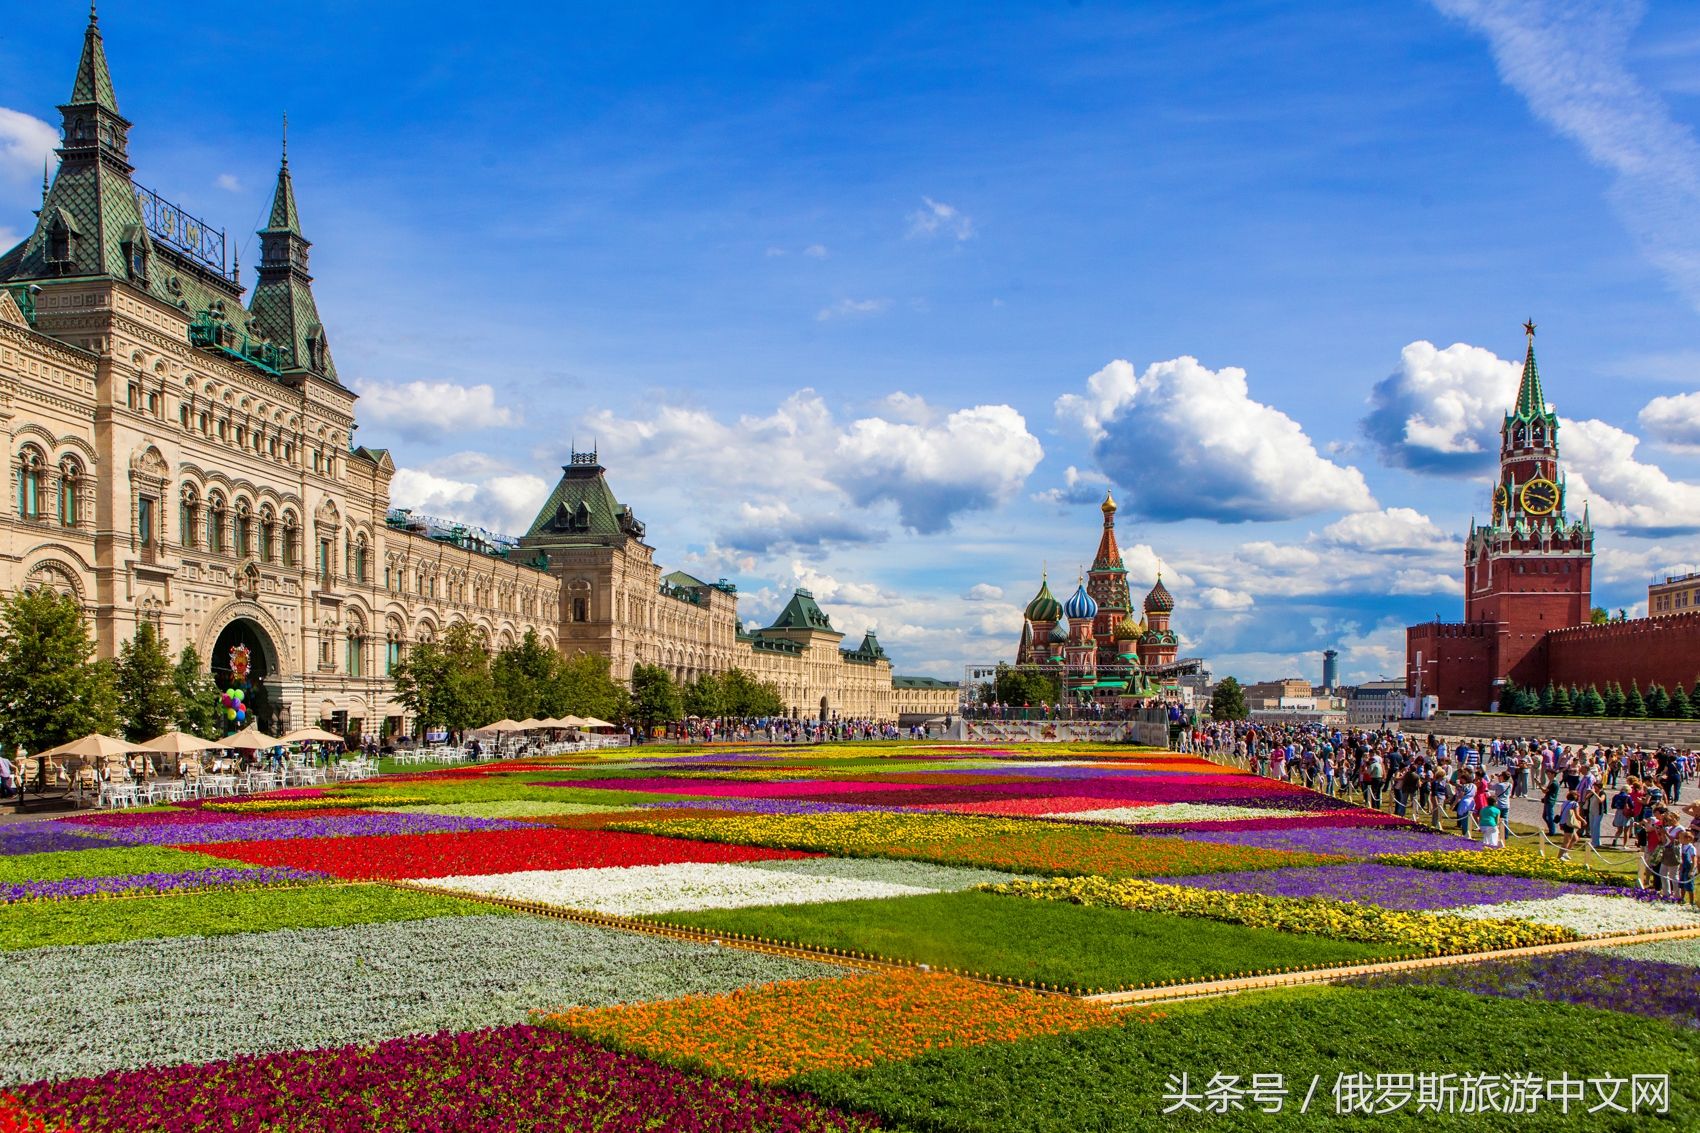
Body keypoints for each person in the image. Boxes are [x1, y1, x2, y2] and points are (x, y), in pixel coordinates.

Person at [1556, 789, 1582, 860]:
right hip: (1568, 824)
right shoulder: (1575, 804)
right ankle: (1559, 856)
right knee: (1566, 841)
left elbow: (1562, 813)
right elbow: (1577, 815)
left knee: (1575, 839)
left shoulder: (1564, 803)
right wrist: (1583, 821)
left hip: (1563, 822)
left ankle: (1565, 852)